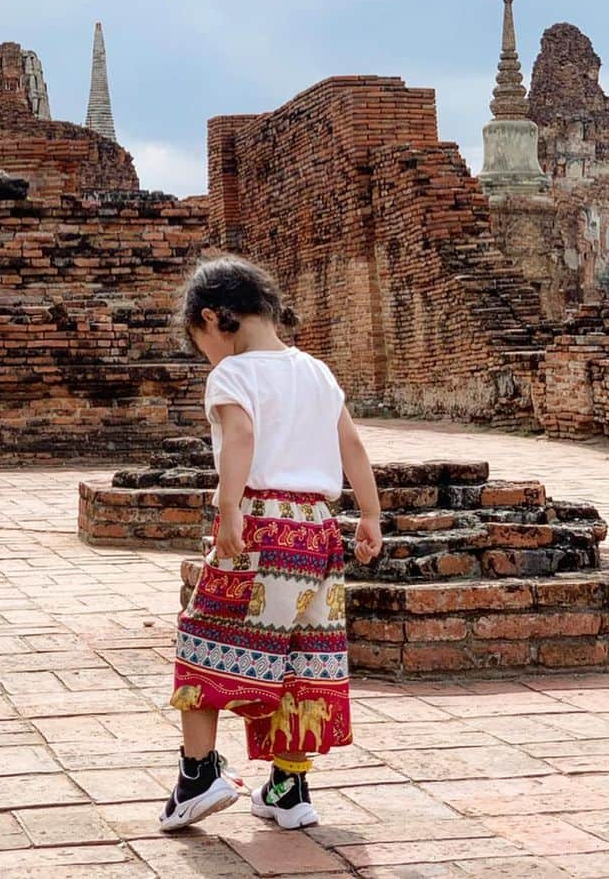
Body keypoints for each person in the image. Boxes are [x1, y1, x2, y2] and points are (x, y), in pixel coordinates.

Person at [160, 255, 384, 833]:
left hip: (260, 526)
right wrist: (370, 515)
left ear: (214, 318)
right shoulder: (316, 371)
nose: (205, 356)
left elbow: (241, 434)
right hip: (317, 532)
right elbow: (353, 446)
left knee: (204, 639)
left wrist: (229, 505)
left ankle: (198, 774)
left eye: (200, 341)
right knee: (302, 657)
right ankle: (289, 788)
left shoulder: (233, 374)